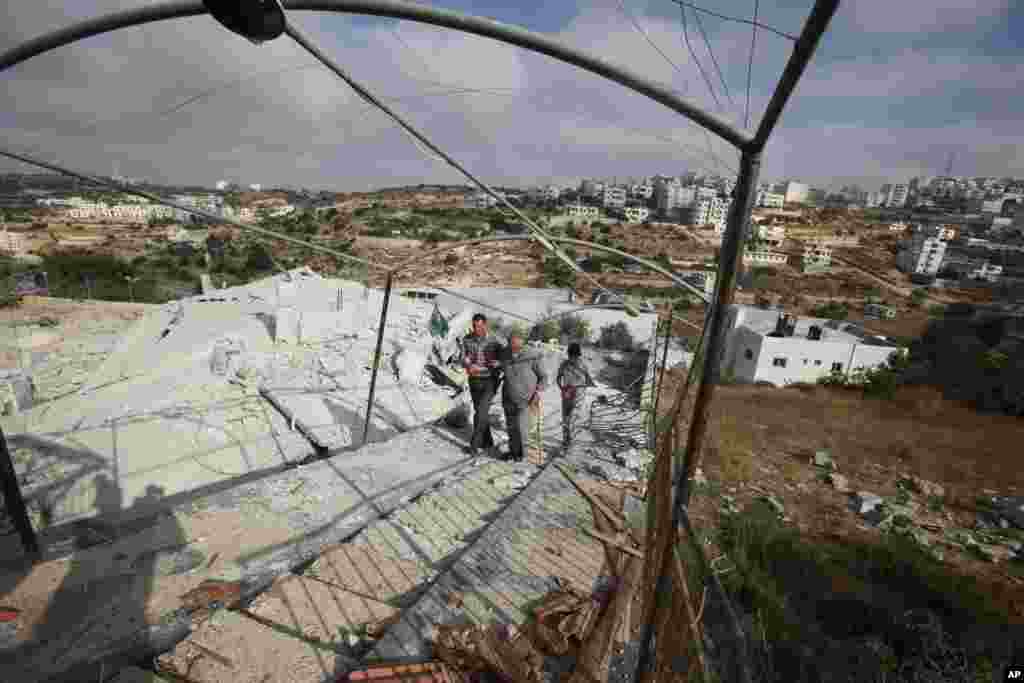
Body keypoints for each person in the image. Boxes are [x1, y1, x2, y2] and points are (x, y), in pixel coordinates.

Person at [499, 331, 548, 462]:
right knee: (511, 427)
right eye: (511, 346)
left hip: (526, 400)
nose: (514, 350)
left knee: (522, 429)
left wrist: (538, 392)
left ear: (523, 344)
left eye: (517, 347)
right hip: (508, 397)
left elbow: (544, 377)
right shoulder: (504, 353)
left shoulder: (533, 356)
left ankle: (523, 455)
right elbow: (499, 368)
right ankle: (513, 452)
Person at [461, 313, 504, 456]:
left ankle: (474, 445)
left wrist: (499, 363)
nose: (476, 329)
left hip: (490, 380)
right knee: (480, 411)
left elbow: (506, 358)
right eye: (474, 326)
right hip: (474, 379)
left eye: (479, 326)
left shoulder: (496, 340)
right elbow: (463, 357)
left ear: (485, 325)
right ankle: (488, 441)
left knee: (481, 412)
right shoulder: (467, 339)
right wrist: (467, 364)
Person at [557, 342, 595, 451]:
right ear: (568, 354)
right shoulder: (564, 364)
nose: (572, 358)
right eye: (570, 356)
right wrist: (562, 388)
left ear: (578, 355)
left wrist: (579, 388)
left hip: (578, 396)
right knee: (565, 420)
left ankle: (570, 442)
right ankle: (566, 442)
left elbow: (588, 381)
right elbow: (558, 378)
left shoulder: (583, 365)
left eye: (574, 356)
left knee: (572, 420)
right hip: (566, 395)